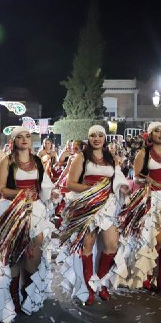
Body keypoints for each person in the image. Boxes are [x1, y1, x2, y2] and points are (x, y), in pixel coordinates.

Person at [0, 126, 59, 323]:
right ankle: (14, 298)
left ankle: (28, 293)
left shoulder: (37, 161)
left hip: (35, 210)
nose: (25, 139)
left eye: (28, 136)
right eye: (20, 137)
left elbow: (43, 185)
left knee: (34, 254)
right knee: (15, 256)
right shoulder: (6, 161)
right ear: (14, 141)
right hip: (13, 211)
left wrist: (50, 194)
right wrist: (19, 194)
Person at [57, 125, 128, 304]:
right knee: (87, 246)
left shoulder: (110, 157)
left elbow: (117, 177)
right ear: (88, 138)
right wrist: (93, 191)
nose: (96, 138)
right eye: (92, 136)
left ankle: (101, 283)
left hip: (108, 205)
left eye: (100, 135)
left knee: (111, 245)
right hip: (88, 204)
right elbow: (71, 183)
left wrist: (122, 186)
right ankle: (88, 288)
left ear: (104, 138)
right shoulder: (81, 157)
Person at [116, 122, 161, 295]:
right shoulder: (143, 153)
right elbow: (136, 176)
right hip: (152, 198)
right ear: (150, 134)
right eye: (157, 131)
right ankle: (148, 275)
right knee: (158, 239)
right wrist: (145, 181)